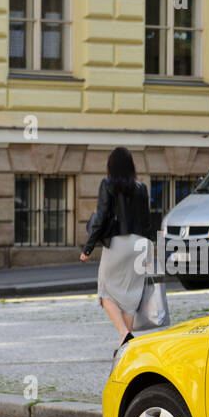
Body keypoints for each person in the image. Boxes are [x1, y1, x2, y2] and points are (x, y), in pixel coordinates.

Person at [79, 146, 151, 351]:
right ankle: (125, 350)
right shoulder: (141, 187)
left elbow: (100, 219)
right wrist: (151, 252)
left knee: (104, 293)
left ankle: (124, 333)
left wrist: (88, 248)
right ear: (131, 166)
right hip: (140, 245)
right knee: (129, 297)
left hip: (118, 243)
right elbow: (147, 222)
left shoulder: (107, 184)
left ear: (111, 165)